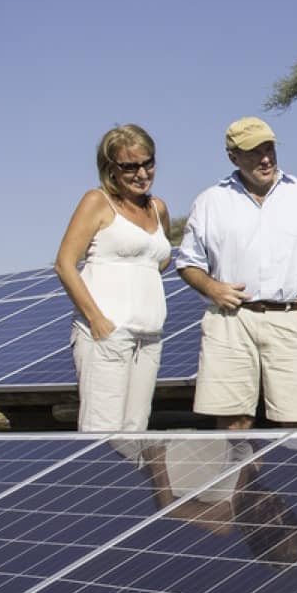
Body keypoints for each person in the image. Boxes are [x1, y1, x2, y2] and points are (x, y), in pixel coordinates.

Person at [177, 117, 297, 430]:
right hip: (231, 320)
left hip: (292, 318)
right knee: (234, 421)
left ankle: (289, 480)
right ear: (233, 156)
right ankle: (239, 480)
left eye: (269, 148)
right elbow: (187, 262)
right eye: (253, 152)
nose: (265, 158)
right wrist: (212, 288)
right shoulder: (211, 201)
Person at [54, 124, 173, 432]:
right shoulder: (97, 201)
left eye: (147, 163)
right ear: (111, 169)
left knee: (134, 431)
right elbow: (65, 264)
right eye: (130, 166)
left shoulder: (157, 208)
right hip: (108, 336)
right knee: (101, 432)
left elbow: (161, 258)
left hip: (149, 337)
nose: (141, 173)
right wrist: (97, 320)